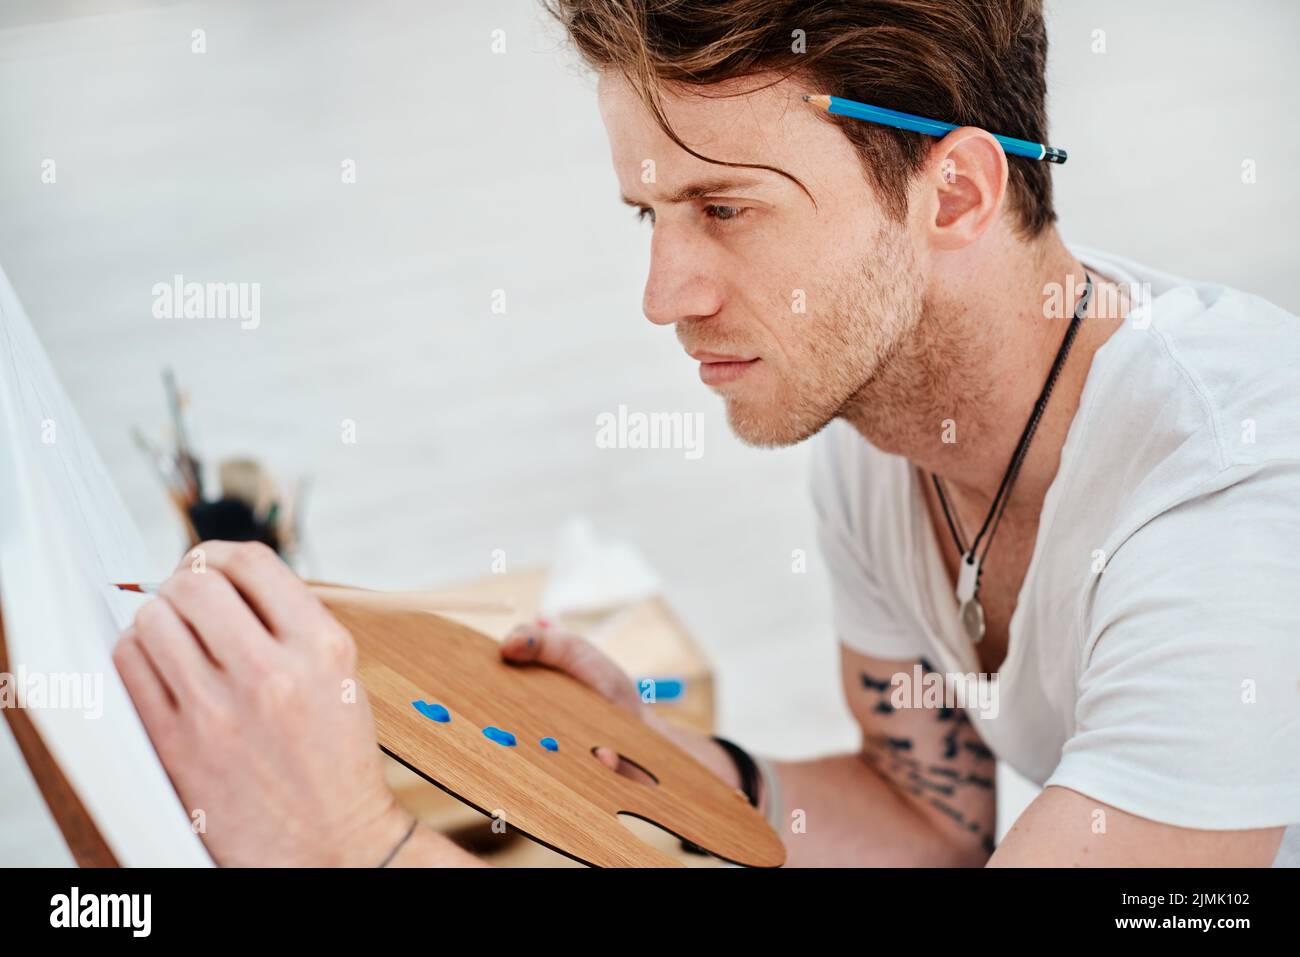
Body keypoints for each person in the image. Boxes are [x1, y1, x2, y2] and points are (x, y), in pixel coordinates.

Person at [113, 0, 1299, 867]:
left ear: (954, 195)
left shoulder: (1231, 509)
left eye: (724, 209)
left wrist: (342, 847)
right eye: (649, 212)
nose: (663, 291)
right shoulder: (873, 418)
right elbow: (929, 823)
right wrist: (670, 768)